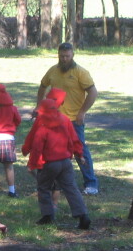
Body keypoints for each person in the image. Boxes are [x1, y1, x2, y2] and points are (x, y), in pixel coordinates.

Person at [36, 42, 99, 195]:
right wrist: (40, 107)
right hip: (53, 119)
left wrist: (82, 112)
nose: (64, 59)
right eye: (61, 56)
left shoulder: (80, 72)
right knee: (55, 151)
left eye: (67, 56)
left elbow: (93, 92)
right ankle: (56, 184)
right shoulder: (53, 71)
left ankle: (91, 183)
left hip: (73, 119)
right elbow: (43, 86)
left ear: (73, 55)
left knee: (80, 150)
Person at [28, 99, 91, 230]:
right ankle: (83, 215)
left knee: (44, 187)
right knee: (71, 188)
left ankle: (47, 216)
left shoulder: (43, 128)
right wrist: (80, 154)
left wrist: (33, 164)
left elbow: (37, 148)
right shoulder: (65, 120)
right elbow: (74, 138)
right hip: (66, 161)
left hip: (50, 163)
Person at [23, 87, 66, 209]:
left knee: (44, 183)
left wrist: (26, 150)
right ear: (61, 103)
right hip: (61, 157)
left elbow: (33, 137)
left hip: (45, 157)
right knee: (56, 183)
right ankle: (55, 205)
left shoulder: (41, 118)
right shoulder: (64, 119)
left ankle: (47, 207)